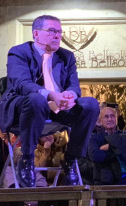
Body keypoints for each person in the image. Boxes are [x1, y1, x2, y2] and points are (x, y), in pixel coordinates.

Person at [0, 15, 99, 187]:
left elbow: (74, 86)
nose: (57, 36)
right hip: (23, 108)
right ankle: (28, 159)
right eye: (52, 31)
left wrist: (70, 96)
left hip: (56, 111)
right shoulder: (19, 52)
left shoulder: (66, 56)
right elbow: (21, 84)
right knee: (36, 99)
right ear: (36, 34)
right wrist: (51, 95)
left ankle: (71, 160)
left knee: (90, 105)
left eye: (60, 32)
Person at [88, 107, 126, 185]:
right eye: (106, 117)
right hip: (105, 180)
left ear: (117, 119)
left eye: (112, 116)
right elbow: (96, 156)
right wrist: (117, 149)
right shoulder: (95, 137)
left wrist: (110, 146)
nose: (110, 119)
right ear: (100, 121)